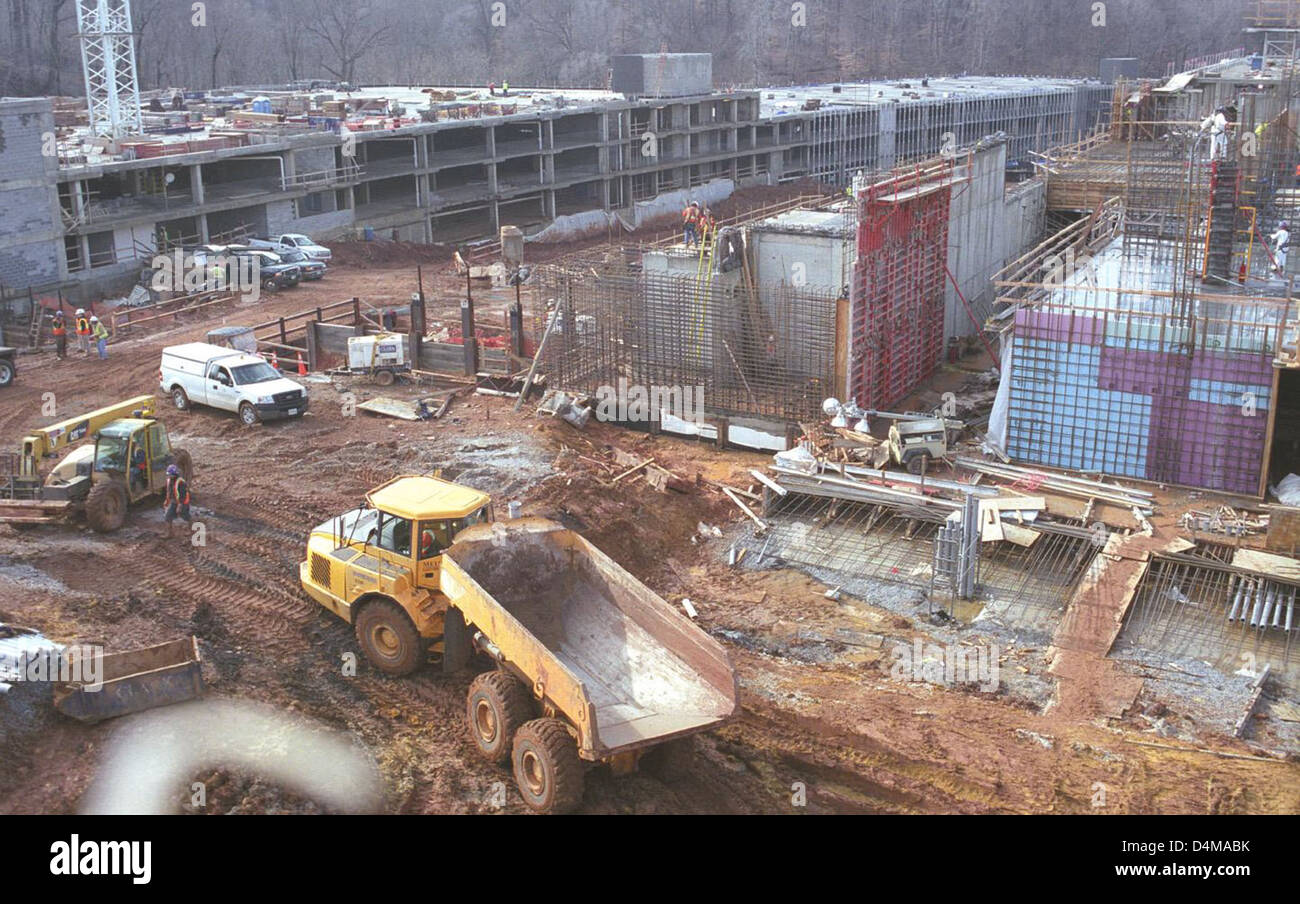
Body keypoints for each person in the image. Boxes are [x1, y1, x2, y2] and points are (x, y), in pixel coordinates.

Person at [162, 464, 192, 539]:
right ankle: (169, 534)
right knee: (167, 516)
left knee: (185, 516)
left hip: (183, 502)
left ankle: (191, 530)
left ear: (175, 474)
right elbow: (169, 492)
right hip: (174, 501)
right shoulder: (169, 481)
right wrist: (167, 501)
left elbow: (183, 495)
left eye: (170, 475)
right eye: (168, 475)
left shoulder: (180, 482)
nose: (169, 476)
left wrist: (180, 505)